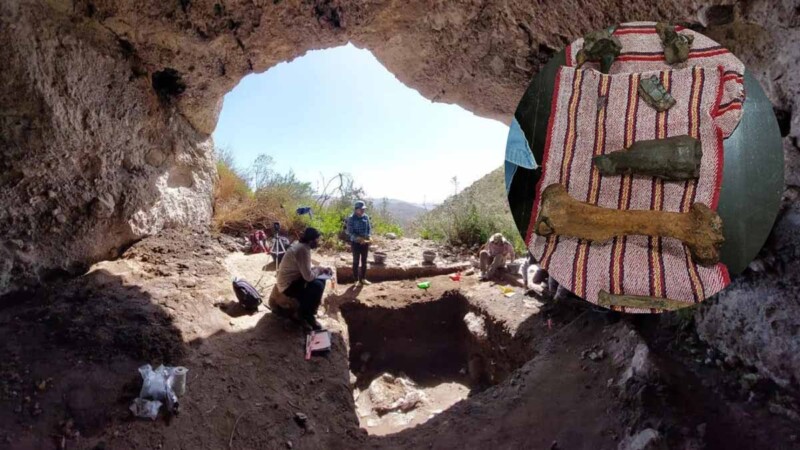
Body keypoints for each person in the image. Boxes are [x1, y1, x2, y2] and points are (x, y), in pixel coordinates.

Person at [275, 227, 332, 330]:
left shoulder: (303, 247)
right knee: (317, 285)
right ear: (311, 240)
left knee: (320, 280)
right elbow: (308, 277)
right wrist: (319, 270)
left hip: (293, 280)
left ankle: (308, 311)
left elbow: (306, 268)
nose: (318, 242)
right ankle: (307, 315)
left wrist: (320, 269)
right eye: (317, 240)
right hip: (288, 286)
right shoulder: (302, 250)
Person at [346, 200, 372, 285]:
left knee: (364, 261)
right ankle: (356, 280)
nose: (363, 210)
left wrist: (369, 237)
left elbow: (369, 228)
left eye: (364, 209)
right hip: (356, 243)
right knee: (356, 261)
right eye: (361, 209)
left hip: (365, 243)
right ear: (356, 209)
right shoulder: (351, 218)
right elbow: (349, 232)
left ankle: (363, 278)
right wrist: (359, 238)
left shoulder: (366, 217)